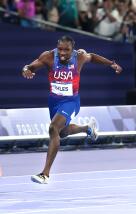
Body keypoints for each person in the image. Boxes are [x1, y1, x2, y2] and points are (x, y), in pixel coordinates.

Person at [22, 35, 122, 184]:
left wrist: (111, 64)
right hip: (54, 101)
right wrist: (26, 70)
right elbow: (30, 66)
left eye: (66, 50)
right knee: (61, 133)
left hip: (71, 101)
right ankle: (86, 128)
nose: (62, 53)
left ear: (72, 49)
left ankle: (45, 174)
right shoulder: (48, 56)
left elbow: (92, 57)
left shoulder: (79, 57)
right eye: (60, 49)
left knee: (53, 129)